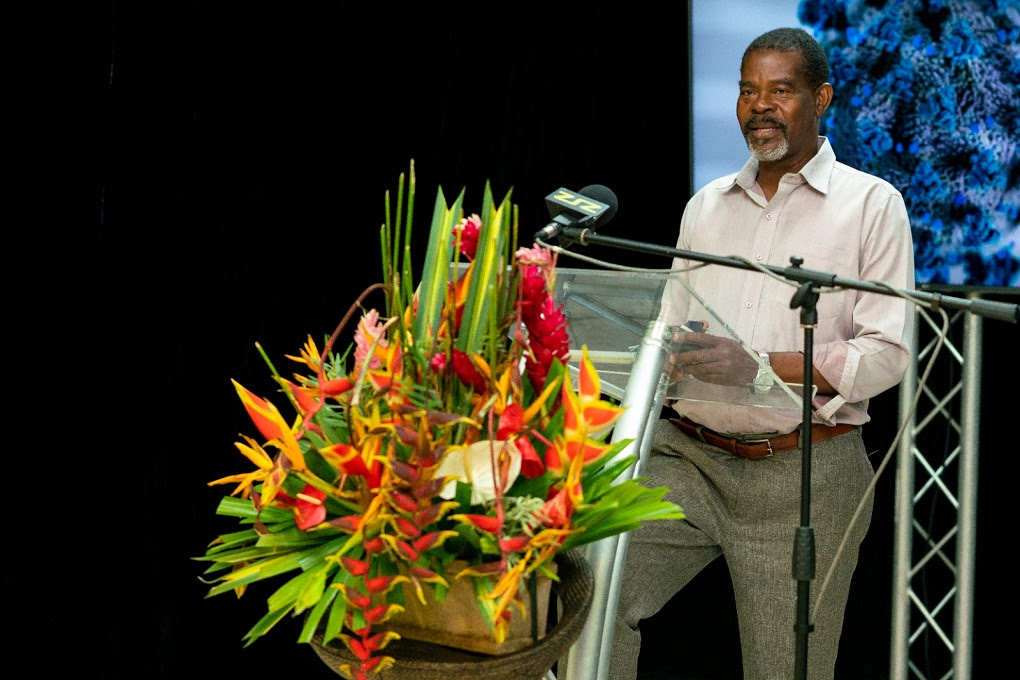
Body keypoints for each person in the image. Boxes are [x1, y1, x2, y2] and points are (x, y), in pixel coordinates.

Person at [607, 27, 915, 680]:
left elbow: (888, 354)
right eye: (748, 90)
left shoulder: (871, 206)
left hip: (801, 472)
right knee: (588, 592)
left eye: (780, 90)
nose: (759, 106)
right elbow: (670, 325)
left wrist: (761, 366)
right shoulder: (706, 206)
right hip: (684, 460)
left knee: (787, 670)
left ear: (821, 97)